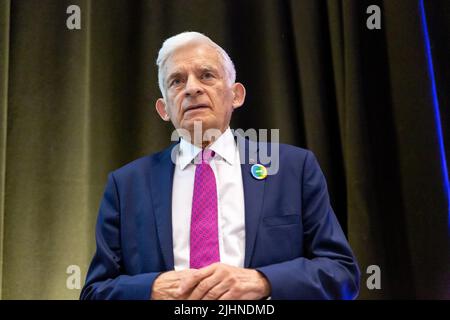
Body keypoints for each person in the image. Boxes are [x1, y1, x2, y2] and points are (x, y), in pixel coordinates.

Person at [80, 31, 360, 300]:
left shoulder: (293, 169)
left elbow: (341, 273)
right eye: (176, 81)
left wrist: (262, 281)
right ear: (163, 108)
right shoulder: (126, 185)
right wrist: (151, 289)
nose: (191, 88)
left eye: (206, 75)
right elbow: (94, 292)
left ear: (236, 95)